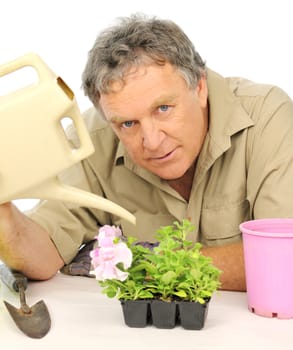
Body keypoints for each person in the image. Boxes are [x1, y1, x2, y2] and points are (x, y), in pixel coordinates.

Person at [1, 14, 293, 292]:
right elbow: (43, 253)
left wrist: (145, 265)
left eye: (163, 109)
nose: (152, 141)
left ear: (200, 87)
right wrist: (4, 212)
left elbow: (283, 260)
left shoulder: (267, 116)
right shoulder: (90, 139)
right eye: (128, 124)